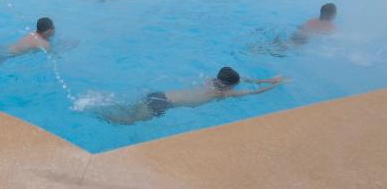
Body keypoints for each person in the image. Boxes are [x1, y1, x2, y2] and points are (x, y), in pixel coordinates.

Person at [93, 67, 285, 125]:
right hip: (162, 105)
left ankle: (100, 105)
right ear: (230, 86)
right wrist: (272, 85)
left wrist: (269, 79)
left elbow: (242, 79)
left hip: (159, 95)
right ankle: (93, 111)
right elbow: (252, 91)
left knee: (127, 110)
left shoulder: (211, 81)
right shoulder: (221, 94)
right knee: (126, 120)